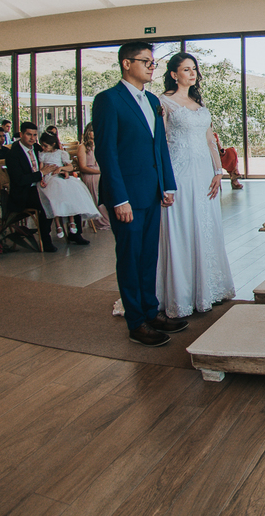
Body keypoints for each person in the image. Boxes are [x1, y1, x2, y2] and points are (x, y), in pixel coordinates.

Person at [92, 42, 183, 348]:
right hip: (127, 197)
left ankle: (150, 311)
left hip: (151, 192)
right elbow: (107, 152)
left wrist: (166, 185)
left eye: (153, 63)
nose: (151, 67)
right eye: (145, 61)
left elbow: (159, 147)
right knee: (130, 258)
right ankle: (136, 322)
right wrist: (119, 199)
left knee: (148, 257)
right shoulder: (109, 100)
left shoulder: (153, 100)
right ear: (126, 64)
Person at [156, 52, 235, 318]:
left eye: (194, 69)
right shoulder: (164, 102)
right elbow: (160, 144)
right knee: (183, 228)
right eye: (186, 69)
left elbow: (211, 141)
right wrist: (165, 181)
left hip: (204, 175)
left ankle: (209, 288)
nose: (192, 73)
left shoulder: (199, 105)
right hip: (180, 174)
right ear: (174, 74)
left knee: (206, 227)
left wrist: (217, 171)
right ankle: (182, 294)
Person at [5, 122, 60, 253]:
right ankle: (46, 240)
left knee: (66, 193)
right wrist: (41, 173)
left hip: (40, 186)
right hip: (24, 192)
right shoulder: (13, 153)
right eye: (29, 134)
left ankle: (74, 232)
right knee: (47, 201)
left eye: (35, 135)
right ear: (21, 134)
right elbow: (19, 180)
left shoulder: (37, 148)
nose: (32, 138)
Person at [35, 133, 94, 244]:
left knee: (72, 193)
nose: (43, 148)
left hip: (60, 176)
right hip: (49, 179)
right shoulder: (42, 154)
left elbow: (71, 166)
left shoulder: (61, 153)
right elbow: (41, 169)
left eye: (45, 145)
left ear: (53, 144)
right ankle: (58, 225)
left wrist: (62, 169)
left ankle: (74, 227)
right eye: (42, 145)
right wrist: (42, 177)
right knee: (55, 198)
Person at [76, 123, 109, 229]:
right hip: (90, 174)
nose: (94, 133)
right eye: (92, 131)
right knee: (98, 193)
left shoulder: (100, 144)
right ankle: (101, 220)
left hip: (101, 173)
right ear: (88, 132)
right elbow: (83, 167)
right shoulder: (83, 147)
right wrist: (99, 172)